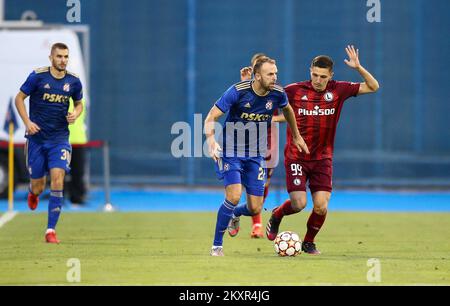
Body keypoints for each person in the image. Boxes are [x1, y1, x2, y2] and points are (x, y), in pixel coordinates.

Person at [265, 45, 380, 254]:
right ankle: (277, 214)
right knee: (299, 204)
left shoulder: (339, 89)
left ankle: (308, 242)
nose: (318, 80)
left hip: (323, 158)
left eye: (323, 76)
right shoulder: (293, 90)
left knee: (320, 206)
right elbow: (269, 105)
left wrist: (358, 67)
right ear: (310, 71)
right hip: (296, 157)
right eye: (315, 75)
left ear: (331, 76)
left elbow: (373, 86)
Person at [205, 56, 309, 256]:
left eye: (276, 73)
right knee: (234, 195)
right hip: (231, 151)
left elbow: (288, 110)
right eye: (270, 74)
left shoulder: (278, 94)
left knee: (255, 208)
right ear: (258, 75)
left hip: (255, 155)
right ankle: (217, 246)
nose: (275, 77)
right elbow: (211, 116)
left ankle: (234, 214)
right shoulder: (237, 91)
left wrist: (296, 135)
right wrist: (211, 141)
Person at [15, 42, 84, 243]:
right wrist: (27, 122)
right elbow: (19, 99)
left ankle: (50, 230)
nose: (63, 60)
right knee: (38, 186)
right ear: (51, 58)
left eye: (65, 57)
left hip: (59, 140)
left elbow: (79, 104)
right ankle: (32, 193)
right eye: (59, 56)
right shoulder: (38, 76)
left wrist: (75, 114)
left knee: (57, 179)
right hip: (37, 140)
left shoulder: (74, 82)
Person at [238, 53, 282, 238]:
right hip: (244, 141)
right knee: (242, 182)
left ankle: (256, 221)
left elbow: (284, 115)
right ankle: (244, 217)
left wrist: (269, 117)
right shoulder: (244, 89)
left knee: (262, 183)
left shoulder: (274, 92)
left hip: (268, 141)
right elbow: (239, 108)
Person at [66, 97, 88, 206]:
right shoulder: (60, 96)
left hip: (79, 141)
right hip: (63, 141)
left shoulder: (81, 99)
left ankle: (77, 197)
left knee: (78, 172)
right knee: (59, 172)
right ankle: (59, 197)